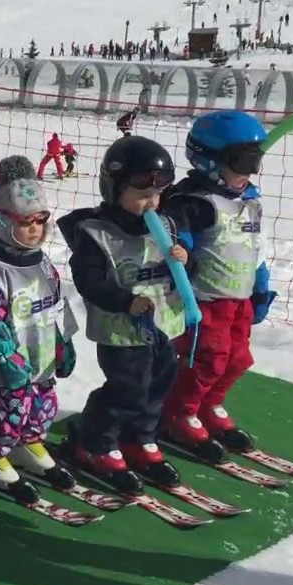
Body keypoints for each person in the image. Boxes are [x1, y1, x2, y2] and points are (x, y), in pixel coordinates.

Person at [56, 136, 191, 494]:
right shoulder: (97, 234)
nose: (151, 203)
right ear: (114, 188)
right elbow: (89, 281)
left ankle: (141, 439)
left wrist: (182, 262)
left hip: (162, 326)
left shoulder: (165, 227)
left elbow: (177, 279)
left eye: (157, 195)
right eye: (141, 194)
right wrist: (123, 301)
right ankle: (95, 443)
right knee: (127, 390)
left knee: (159, 385)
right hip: (122, 331)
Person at [0, 156, 77, 491]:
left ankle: (28, 443)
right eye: (26, 221)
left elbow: (57, 307)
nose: (35, 228)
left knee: (44, 407)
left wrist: (63, 343)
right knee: (6, 415)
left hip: (40, 364)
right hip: (2, 372)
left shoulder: (43, 265)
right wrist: (9, 361)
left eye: (41, 220)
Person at [161, 110, 275, 458]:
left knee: (237, 360)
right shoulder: (194, 203)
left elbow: (255, 246)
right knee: (207, 360)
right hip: (204, 301)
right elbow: (179, 249)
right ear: (208, 160)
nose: (248, 172)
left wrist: (260, 284)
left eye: (254, 162)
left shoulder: (248, 200)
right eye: (241, 162)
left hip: (238, 300)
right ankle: (180, 412)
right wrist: (185, 261)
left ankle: (210, 405)